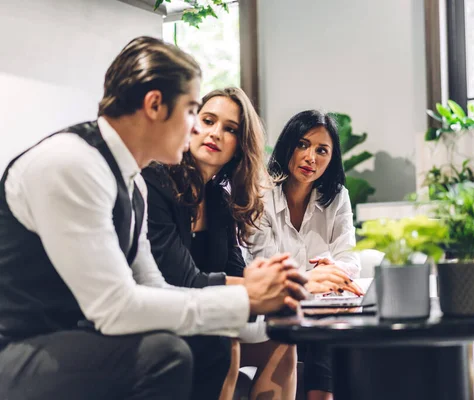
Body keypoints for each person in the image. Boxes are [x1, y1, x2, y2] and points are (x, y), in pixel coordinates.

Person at [0, 36, 306, 400]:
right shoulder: (73, 164)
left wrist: (251, 296)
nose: (197, 128)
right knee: (163, 355)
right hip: (20, 348)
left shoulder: (132, 183)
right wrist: (246, 298)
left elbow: (154, 288)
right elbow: (116, 308)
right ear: (155, 105)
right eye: (194, 111)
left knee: (211, 342)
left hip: (76, 337)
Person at [142, 87, 296, 400]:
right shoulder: (155, 181)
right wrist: (267, 287)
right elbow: (180, 279)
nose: (215, 133)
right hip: (156, 310)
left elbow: (238, 271)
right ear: (191, 125)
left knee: (282, 338)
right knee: (224, 340)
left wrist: (281, 284)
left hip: (201, 311)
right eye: (208, 120)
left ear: (240, 147)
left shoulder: (219, 202)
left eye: (230, 129)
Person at [248, 110, 362, 400]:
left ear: (331, 158)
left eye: (322, 150)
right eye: (303, 144)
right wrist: (314, 278)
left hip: (321, 310)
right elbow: (266, 268)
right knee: (329, 324)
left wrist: (331, 273)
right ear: (288, 145)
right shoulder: (261, 195)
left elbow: (349, 260)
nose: (311, 157)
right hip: (277, 311)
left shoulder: (337, 197)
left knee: (333, 322)